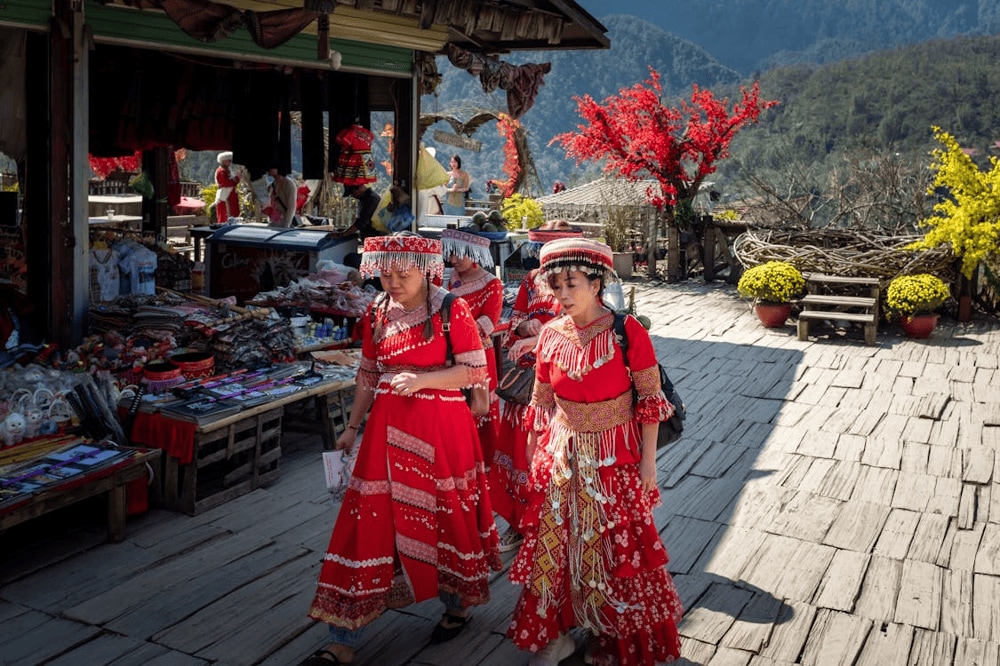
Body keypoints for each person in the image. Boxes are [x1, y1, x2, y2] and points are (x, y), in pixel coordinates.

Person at [303, 232, 502, 666]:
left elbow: (473, 372)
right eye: (385, 273)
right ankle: (343, 636)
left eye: (402, 274)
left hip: (442, 430)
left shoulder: (452, 308)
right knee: (365, 521)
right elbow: (369, 373)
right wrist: (352, 427)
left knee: (445, 514)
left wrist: (424, 380)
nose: (392, 282)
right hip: (385, 430)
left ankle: (456, 605)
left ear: (427, 269)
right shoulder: (377, 310)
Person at [506, 238, 683, 666]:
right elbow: (541, 403)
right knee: (556, 545)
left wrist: (648, 466)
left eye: (572, 284)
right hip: (562, 456)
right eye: (555, 286)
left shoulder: (627, 331)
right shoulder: (549, 334)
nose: (562, 295)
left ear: (597, 281)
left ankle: (610, 633)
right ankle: (561, 633)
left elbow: (650, 402)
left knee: (618, 550)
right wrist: (533, 457)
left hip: (615, 458)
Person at [487, 227, 569, 554]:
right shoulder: (532, 279)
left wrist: (544, 335)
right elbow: (514, 324)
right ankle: (518, 525)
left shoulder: (580, 280)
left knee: (552, 459)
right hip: (525, 384)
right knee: (520, 457)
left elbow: (584, 326)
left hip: (561, 386)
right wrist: (525, 327)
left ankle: (550, 527)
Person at [442, 228, 503, 466]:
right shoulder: (445, 278)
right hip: (446, 354)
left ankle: (481, 465)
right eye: (451, 254)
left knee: (478, 407)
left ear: (475, 253)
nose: (453, 260)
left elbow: (486, 324)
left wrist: (448, 332)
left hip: (478, 356)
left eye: (459, 255)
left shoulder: (491, 284)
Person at [214, 151, 240, 223]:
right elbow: (226, 183)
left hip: (229, 194)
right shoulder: (221, 171)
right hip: (225, 195)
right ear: (224, 161)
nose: (230, 162)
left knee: (232, 212)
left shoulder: (227, 169)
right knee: (225, 213)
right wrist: (237, 179)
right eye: (229, 160)